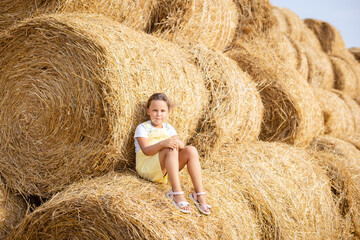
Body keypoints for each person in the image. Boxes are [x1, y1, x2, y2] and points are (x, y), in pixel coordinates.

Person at [134, 93, 211, 215]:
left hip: (166, 168)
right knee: (170, 148)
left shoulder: (169, 128)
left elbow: (181, 146)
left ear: (168, 112)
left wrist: (177, 143)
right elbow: (146, 151)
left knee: (191, 150)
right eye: (155, 110)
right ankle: (176, 193)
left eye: (162, 111)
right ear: (148, 111)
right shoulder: (142, 128)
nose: (159, 114)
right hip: (148, 167)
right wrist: (163, 143)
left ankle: (198, 194)